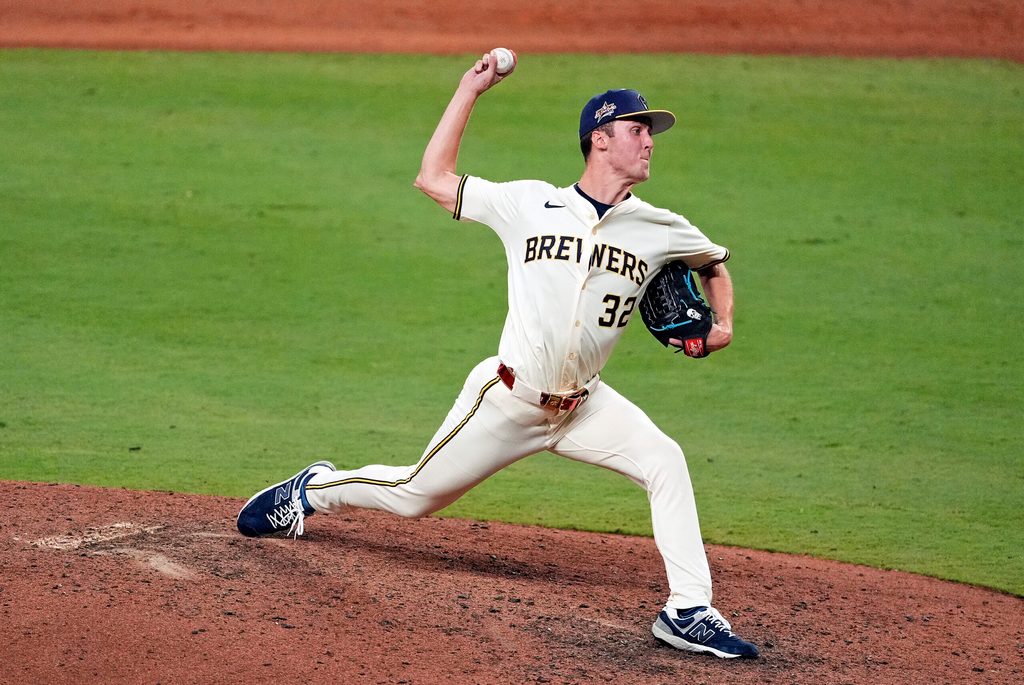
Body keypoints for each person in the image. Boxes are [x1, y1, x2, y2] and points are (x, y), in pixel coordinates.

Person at [237, 50, 758, 659]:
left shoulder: (661, 227)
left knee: (665, 461)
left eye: (650, 133)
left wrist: (720, 324)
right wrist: (470, 90)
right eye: (638, 130)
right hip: (508, 400)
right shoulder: (529, 204)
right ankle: (314, 489)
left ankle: (688, 609)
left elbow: (713, 262)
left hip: (584, 406)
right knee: (415, 497)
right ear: (600, 139)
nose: (649, 142)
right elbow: (434, 178)